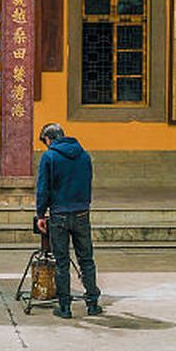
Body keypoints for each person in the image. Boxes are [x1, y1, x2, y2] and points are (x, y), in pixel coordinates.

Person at [34, 122, 101, 318]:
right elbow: (87, 182)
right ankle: (92, 303)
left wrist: (40, 214)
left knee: (62, 261)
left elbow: (43, 188)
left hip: (59, 215)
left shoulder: (49, 156)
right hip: (81, 212)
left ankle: (64, 307)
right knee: (86, 259)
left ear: (49, 139)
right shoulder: (84, 155)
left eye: (45, 142)